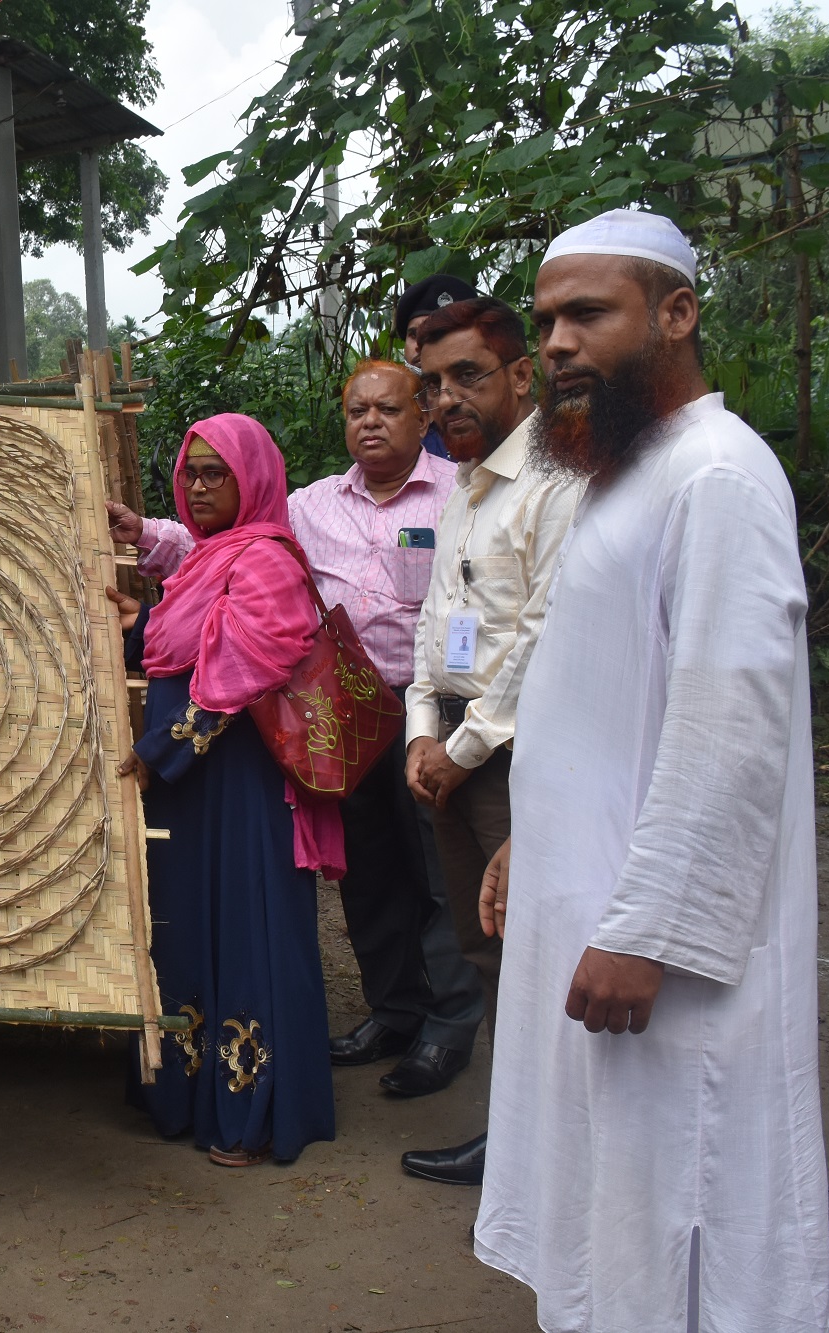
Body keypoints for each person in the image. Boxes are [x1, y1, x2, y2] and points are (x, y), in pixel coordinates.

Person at [473, 208, 829, 1332]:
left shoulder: (716, 474)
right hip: (591, 906)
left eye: (588, 312)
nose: (559, 342)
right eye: (545, 320)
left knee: (682, 1200)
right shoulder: (620, 473)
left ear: (674, 313)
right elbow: (602, 690)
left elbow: (730, 716)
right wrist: (531, 834)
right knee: (612, 1208)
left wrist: (648, 927)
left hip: (660, 958)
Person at [109, 415, 341, 1169]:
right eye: (192, 471)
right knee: (186, 927)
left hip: (241, 780)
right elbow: (178, 643)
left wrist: (158, 753)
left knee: (248, 929)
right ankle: (183, 1091)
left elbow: (245, 671)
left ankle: (253, 1112)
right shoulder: (208, 557)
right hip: (190, 785)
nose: (200, 486)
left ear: (254, 480)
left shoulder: (268, 559)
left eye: (218, 473)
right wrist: (138, 623)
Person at [397, 297, 583, 1189]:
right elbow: (438, 626)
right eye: (433, 384)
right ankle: (519, 1139)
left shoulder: (559, 482)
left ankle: (549, 1150)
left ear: (522, 375)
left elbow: (544, 637)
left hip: (522, 762)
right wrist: (421, 735)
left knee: (538, 948)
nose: (445, 400)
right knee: (487, 950)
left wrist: (462, 749)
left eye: (467, 375)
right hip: (457, 761)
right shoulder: (464, 485)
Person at [288, 361, 485, 1096]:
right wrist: (151, 535)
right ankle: (394, 1009)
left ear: (423, 416)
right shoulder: (309, 505)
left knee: (440, 871)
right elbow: (235, 541)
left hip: (433, 709)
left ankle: (449, 1024)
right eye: (356, 410)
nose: (369, 422)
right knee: (369, 870)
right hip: (347, 713)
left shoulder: (460, 494)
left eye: (387, 408)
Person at [395, 275, 477, 460]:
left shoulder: (484, 411)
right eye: (413, 335)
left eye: (435, 334)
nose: (419, 345)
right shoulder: (389, 417)